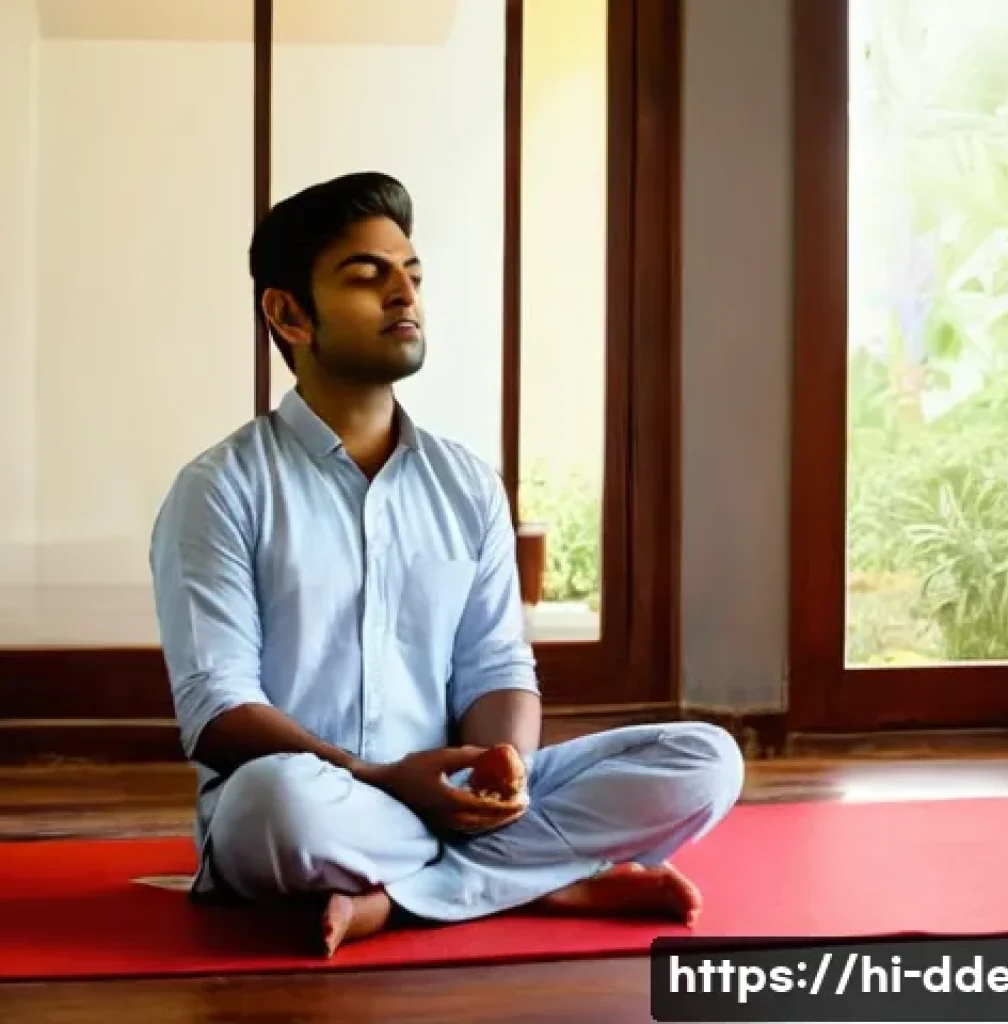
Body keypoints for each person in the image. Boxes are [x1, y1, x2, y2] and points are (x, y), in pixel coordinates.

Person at [149, 171, 743, 956]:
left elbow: (498, 667)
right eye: (368, 275)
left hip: (444, 797)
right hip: (323, 801)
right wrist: (383, 779)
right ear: (288, 313)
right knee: (273, 803)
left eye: (412, 274)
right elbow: (220, 714)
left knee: (705, 760)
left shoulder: (465, 486)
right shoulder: (221, 489)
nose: (404, 294)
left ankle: (398, 897)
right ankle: (537, 878)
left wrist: (504, 777)